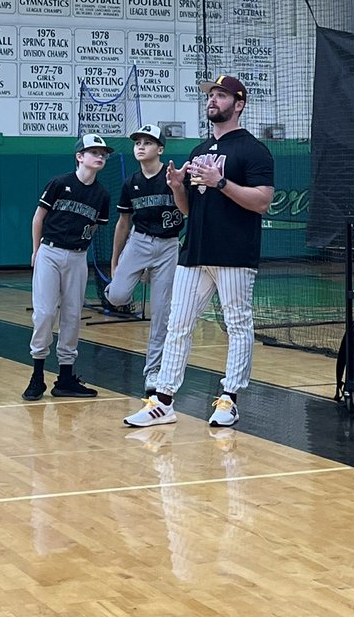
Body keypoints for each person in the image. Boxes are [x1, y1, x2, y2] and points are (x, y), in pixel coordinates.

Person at [124, 74, 274, 428]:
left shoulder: (253, 150)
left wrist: (220, 182)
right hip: (195, 251)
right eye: (211, 95)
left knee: (237, 325)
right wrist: (178, 188)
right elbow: (190, 208)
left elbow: (263, 201)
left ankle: (229, 399)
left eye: (221, 95)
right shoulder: (198, 151)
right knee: (178, 325)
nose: (212, 100)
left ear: (239, 104)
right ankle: (162, 401)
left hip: (235, 253)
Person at [23, 132, 112, 401]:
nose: (100, 156)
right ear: (79, 156)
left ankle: (65, 378)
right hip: (49, 252)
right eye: (94, 152)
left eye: (103, 154)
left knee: (72, 316)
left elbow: (95, 227)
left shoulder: (102, 195)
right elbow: (39, 216)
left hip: (77, 257)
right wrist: (36, 250)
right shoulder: (60, 183)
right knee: (45, 313)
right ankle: (37, 375)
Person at [105, 124, 185, 395]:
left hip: (168, 245)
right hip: (139, 242)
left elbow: (190, 211)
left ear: (160, 149)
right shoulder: (131, 183)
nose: (140, 146)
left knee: (161, 312)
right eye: (137, 142)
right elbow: (123, 223)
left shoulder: (173, 176)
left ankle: (153, 371)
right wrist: (115, 262)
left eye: (147, 142)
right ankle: (140, 272)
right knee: (116, 296)